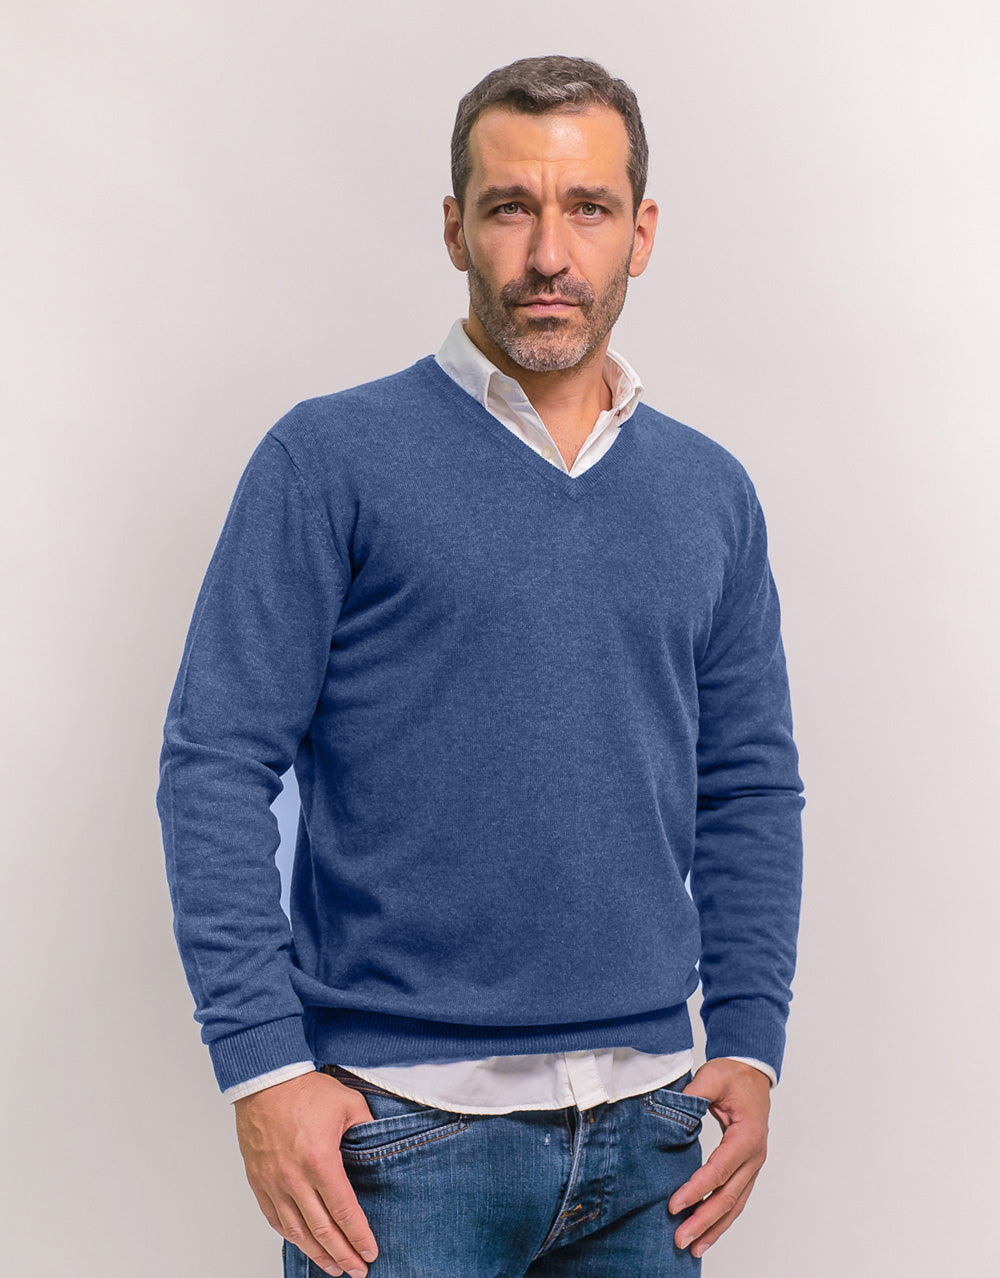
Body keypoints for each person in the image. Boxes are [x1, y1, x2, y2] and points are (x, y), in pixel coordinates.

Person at [156, 54, 804, 1277]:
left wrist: (751, 1042)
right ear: (455, 228)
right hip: (399, 1142)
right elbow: (215, 763)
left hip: (652, 1139)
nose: (548, 254)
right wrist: (262, 1068)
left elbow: (749, 787)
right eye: (511, 207)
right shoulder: (329, 460)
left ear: (640, 233)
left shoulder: (708, 491)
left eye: (587, 208)